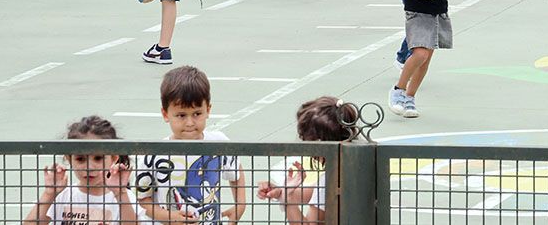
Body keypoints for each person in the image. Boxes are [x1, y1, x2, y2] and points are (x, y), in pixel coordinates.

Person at [135, 66, 247, 222]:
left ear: (208, 110)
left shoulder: (219, 143)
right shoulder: (154, 155)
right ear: (165, 114)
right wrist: (171, 217)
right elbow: (143, 200)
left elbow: (236, 171)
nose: (189, 123)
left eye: (197, 114)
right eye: (181, 115)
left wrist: (240, 205)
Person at [256, 98, 364, 223]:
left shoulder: (330, 179)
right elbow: (314, 193)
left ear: (318, 143)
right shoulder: (356, 164)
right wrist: (280, 191)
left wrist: (288, 198)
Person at [23, 116, 139, 225]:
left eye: (98, 158)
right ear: (69, 158)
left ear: (113, 158)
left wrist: (120, 193)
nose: (89, 167)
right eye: (80, 159)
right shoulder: (62, 196)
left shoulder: (124, 197)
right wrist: (49, 193)